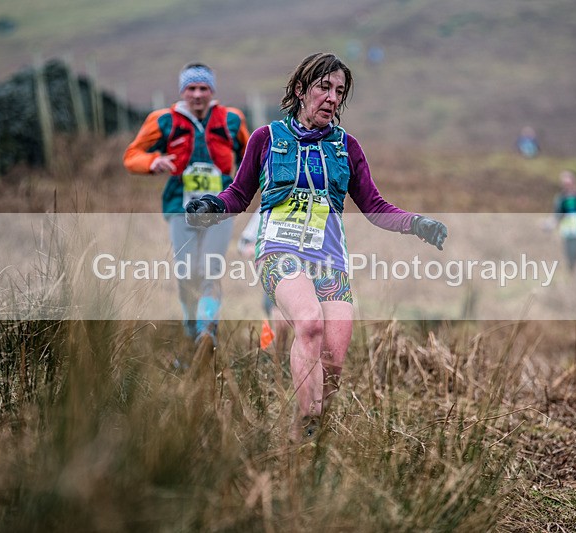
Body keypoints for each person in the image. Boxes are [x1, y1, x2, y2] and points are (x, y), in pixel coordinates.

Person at [184, 52, 447, 440]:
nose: (332, 98)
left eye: (339, 91)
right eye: (324, 87)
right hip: (278, 252)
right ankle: (309, 423)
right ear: (299, 90)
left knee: (333, 363)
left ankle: (303, 434)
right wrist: (211, 207)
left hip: (330, 261)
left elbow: (375, 207)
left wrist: (417, 224)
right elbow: (238, 194)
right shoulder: (266, 139)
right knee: (309, 323)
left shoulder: (346, 147)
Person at [123, 63, 250, 350]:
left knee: (209, 269)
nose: (197, 94)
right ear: (182, 91)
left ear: (212, 91)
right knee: (186, 273)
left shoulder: (231, 119)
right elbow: (131, 156)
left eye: (203, 88)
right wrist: (153, 162)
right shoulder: (163, 120)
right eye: (191, 88)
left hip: (220, 207)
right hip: (180, 207)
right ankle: (191, 329)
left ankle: (207, 332)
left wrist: (244, 183)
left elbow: (250, 154)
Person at [237, 209, 291, 352]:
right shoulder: (267, 206)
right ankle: (273, 355)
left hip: (304, 274)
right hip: (273, 273)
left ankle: (279, 354)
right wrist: (253, 248)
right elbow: (243, 243)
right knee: (276, 316)